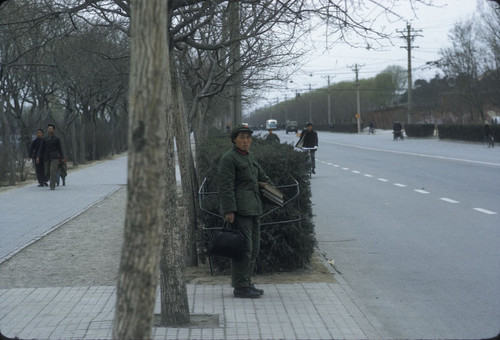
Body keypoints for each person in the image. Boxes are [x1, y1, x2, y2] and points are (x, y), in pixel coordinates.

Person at [218, 123, 271, 299]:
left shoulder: (248, 156)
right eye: (242, 137)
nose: (246, 141)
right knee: (244, 249)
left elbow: (262, 176)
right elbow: (225, 187)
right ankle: (240, 286)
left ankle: (246, 281)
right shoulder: (229, 159)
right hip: (240, 211)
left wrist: (273, 190)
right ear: (234, 140)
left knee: (254, 248)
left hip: (254, 208)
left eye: (248, 137)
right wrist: (229, 211)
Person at [36, 123, 65, 190]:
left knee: (53, 171)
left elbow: (60, 148)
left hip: (54, 157)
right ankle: (53, 179)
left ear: (53, 130)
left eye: (51, 129)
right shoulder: (44, 139)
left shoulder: (57, 139)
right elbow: (41, 148)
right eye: (49, 128)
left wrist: (62, 157)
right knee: (47, 172)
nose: (49, 130)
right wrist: (38, 157)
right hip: (46, 157)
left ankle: (52, 186)